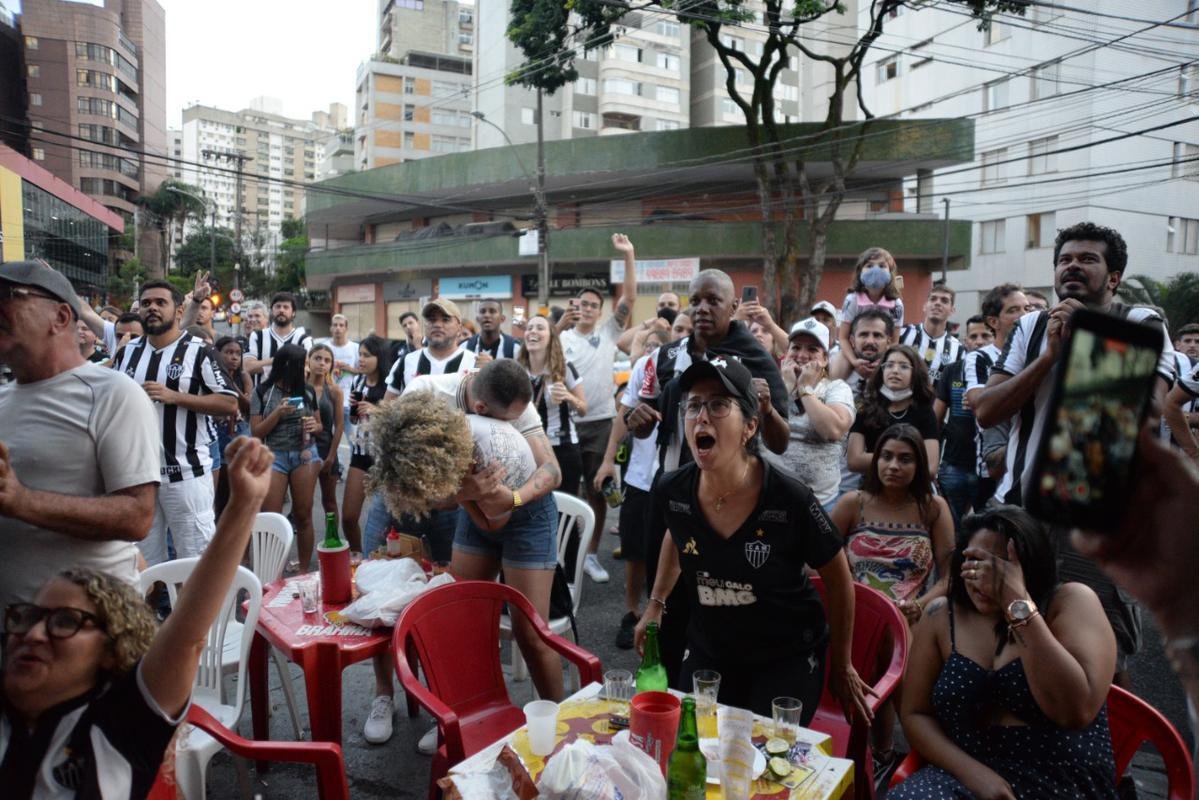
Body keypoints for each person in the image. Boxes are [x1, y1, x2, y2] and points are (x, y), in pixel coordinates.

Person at [0, 436, 275, 798]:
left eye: (64, 622)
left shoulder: (118, 727)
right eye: (26, 617)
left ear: (111, 651)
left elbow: (188, 637)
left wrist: (245, 503)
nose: (34, 634)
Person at [974, 224, 1175, 682]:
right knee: (1002, 637)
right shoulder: (1033, 325)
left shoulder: (1142, 324)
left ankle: (1097, 751)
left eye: (1087, 259)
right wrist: (1048, 357)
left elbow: (1152, 409)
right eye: (1065, 259)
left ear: (1114, 277)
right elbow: (987, 411)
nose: (1073, 266)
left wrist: (1089, 341)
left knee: (1101, 651)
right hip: (1021, 512)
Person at [634, 358, 871, 722]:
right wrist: (655, 603)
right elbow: (678, 536)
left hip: (785, 656)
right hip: (710, 650)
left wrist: (842, 665)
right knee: (687, 743)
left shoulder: (789, 498)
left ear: (749, 427)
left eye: (718, 405)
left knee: (761, 760)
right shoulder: (672, 490)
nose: (701, 416)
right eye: (694, 404)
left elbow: (840, 581)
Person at [361, 359, 563, 746]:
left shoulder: (514, 396)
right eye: (505, 422)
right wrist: (468, 494)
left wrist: (513, 497)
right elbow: (420, 495)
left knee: (529, 630)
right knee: (462, 621)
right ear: (481, 409)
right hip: (472, 500)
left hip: (528, 511)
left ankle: (561, 730)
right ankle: (465, 716)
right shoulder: (425, 399)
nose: (511, 426)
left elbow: (552, 470)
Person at [892, 506, 1117, 800]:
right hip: (967, 773)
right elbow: (915, 714)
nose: (984, 576)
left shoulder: (1070, 602)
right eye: (973, 560)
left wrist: (1016, 600)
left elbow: (1074, 710)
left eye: (1000, 565)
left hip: (1061, 778)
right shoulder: (941, 617)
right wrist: (974, 774)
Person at [0, 260, 159, 613]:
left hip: (87, 636)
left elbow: (137, 516)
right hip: (14, 639)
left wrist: (22, 501)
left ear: (60, 317)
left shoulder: (113, 394)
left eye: (9, 296)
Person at [831, 423, 954, 779]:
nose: (893, 466)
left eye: (904, 459)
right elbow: (817, 561)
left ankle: (894, 757)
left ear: (919, 466)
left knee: (898, 637)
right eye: (886, 456)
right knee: (883, 637)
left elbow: (952, 576)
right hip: (856, 618)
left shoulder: (933, 509)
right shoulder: (853, 504)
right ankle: (877, 755)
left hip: (911, 618)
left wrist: (923, 602)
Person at [112, 281, 238, 567]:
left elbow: (229, 403)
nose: (152, 308)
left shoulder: (200, 351)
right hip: (139, 478)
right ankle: (153, 614)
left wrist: (175, 396)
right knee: (142, 569)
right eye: (146, 303)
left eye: (160, 302)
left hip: (187, 475)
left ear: (179, 310)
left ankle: (200, 613)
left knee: (195, 566)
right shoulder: (127, 353)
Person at [557, 233, 638, 584]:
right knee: (563, 492)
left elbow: (631, 297)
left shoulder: (608, 332)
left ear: (601, 311)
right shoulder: (560, 339)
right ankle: (564, 553)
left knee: (597, 489)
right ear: (573, 306)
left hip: (602, 422)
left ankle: (590, 554)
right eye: (582, 304)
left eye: (593, 305)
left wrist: (629, 254)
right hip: (565, 426)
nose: (587, 309)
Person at [594, 325, 671, 650]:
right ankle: (631, 613)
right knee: (635, 551)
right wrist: (609, 460)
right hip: (640, 479)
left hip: (677, 479)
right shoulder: (646, 366)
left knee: (672, 554)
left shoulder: (693, 366)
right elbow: (623, 416)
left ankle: (667, 615)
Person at [250, 343, 322, 571]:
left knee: (303, 514)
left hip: (304, 454)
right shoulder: (262, 392)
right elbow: (256, 431)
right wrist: (278, 413)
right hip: (274, 455)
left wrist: (314, 425)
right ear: (286, 366)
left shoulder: (307, 391)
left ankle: (302, 568)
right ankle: (274, 572)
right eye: (300, 365)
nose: (305, 370)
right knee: (272, 518)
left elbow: (319, 425)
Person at [779, 317, 855, 513]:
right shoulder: (773, 386)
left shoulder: (836, 388)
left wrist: (804, 388)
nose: (802, 355)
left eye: (812, 349)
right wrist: (784, 388)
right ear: (786, 353)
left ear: (825, 359)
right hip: (773, 502)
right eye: (795, 347)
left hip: (821, 505)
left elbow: (833, 430)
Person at [960, 284, 1030, 493]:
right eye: (1014, 310)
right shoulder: (980, 357)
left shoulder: (1036, 353)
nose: (1023, 315)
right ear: (993, 321)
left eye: (1026, 308)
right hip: (993, 466)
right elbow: (980, 403)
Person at [933, 315, 997, 527]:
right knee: (951, 527)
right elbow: (936, 419)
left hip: (989, 467)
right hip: (953, 465)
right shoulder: (952, 371)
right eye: (973, 336)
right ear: (965, 341)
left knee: (987, 528)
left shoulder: (1002, 371)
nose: (979, 341)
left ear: (994, 337)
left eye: (985, 335)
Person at [516, 315, 586, 504]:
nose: (533, 332)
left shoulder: (564, 367)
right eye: (530, 328)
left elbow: (583, 408)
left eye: (540, 328)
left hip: (563, 447)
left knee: (564, 507)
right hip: (528, 448)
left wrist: (569, 397)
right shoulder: (517, 370)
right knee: (532, 508)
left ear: (551, 337)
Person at [847, 345, 940, 479]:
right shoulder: (866, 408)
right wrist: (906, 458)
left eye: (903, 366)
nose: (895, 371)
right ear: (882, 371)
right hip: (873, 488)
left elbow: (930, 468)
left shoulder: (924, 412)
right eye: (889, 365)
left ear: (915, 374)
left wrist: (880, 458)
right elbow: (854, 461)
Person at [342, 335, 391, 554]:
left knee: (387, 518)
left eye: (366, 355)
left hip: (385, 457)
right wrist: (354, 411)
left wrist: (375, 409)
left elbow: (399, 415)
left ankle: (386, 558)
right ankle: (358, 557)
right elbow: (354, 419)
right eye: (359, 355)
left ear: (379, 357)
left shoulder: (391, 382)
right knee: (349, 516)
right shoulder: (358, 381)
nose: (360, 360)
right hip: (360, 453)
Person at [831, 247, 904, 379]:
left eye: (882, 266)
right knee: (837, 370)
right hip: (854, 351)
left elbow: (894, 341)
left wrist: (882, 361)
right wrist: (854, 361)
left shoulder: (896, 304)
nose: (876, 270)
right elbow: (843, 337)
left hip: (883, 353)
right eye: (869, 266)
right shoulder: (852, 300)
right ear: (860, 272)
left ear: (891, 272)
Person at [384, 299, 476, 398]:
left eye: (445, 319)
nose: (437, 325)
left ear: (459, 328)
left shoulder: (474, 363)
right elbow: (388, 407)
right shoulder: (405, 362)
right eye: (432, 320)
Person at [213, 335, 253, 518]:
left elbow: (248, 403)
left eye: (238, 353)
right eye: (229, 352)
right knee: (220, 496)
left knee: (238, 493)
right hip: (219, 438)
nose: (234, 357)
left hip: (239, 437)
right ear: (218, 354)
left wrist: (231, 384)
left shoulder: (243, 377)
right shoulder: (212, 377)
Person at [308, 344, 346, 537]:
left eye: (327, 360)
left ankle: (333, 541)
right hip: (303, 452)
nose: (321, 363)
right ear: (308, 360)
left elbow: (339, 425)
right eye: (317, 358)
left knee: (329, 502)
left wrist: (331, 456)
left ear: (331, 365)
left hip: (326, 449)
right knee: (304, 505)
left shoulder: (335, 391)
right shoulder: (299, 387)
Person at [899, 284, 963, 386]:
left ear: (952, 310)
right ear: (925, 306)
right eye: (933, 299)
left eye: (944, 301)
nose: (937, 303)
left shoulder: (958, 349)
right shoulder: (903, 333)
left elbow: (956, 386)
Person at [244, 291, 313, 384]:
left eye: (286, 307)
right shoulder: (257, 336)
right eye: (278, 306)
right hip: (262, 396)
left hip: (293, 395)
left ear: (293, 312)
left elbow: (310, 370)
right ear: (272, 311)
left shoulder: (304, 339)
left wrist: (264, 365)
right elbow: (247, 367)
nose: (281, 310)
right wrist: (278, 360)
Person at [320, 313, 359, 435]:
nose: (338, 328)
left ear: (346, 328)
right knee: (327, 436)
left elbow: (361, 371)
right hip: (328, 398)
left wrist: (347, 368)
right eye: (335, 325)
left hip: (349, 399)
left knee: (353, 438)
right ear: (331, 328)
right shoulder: (324, 347)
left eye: (341, 325)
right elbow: (317, 371)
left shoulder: (355, 347)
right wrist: (331, 369)